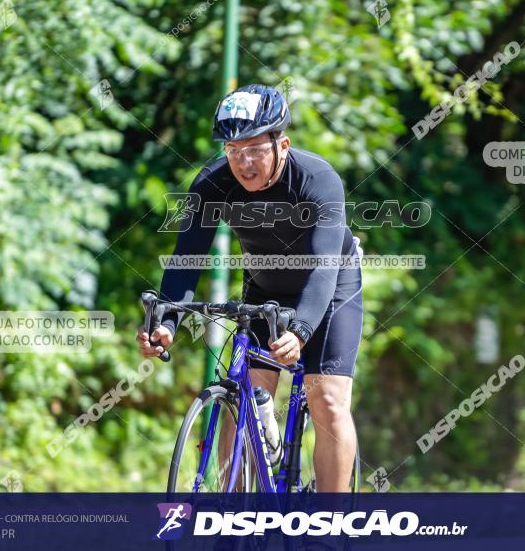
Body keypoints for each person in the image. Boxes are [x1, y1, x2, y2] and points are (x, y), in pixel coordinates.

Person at [137, 84, 363, 492]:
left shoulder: (317, 179)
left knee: (327, 400)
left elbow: (325, 267)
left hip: (330, 287)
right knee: (243, 402)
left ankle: (330, 527)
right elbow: (187, 257)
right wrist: (167, 321)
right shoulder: (212, 183)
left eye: (255, 149)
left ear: (283, 144)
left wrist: (303, 330)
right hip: (267, 289)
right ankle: (234, 521)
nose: (244, 162)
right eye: (233, 150)